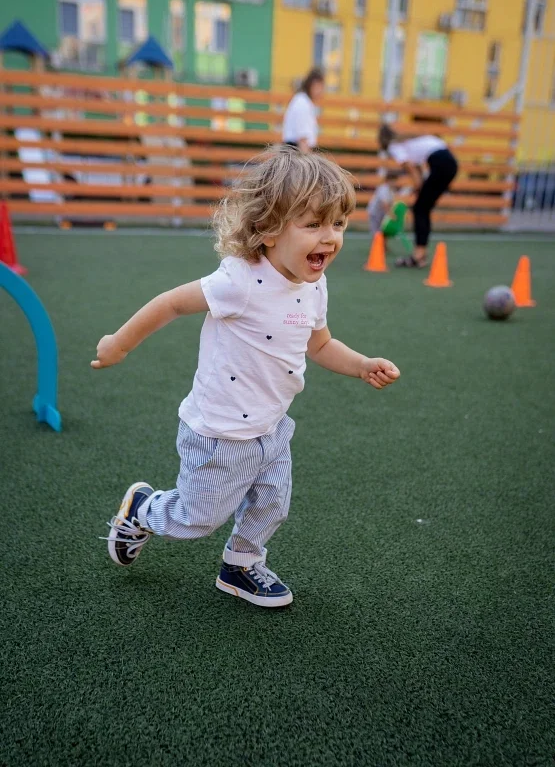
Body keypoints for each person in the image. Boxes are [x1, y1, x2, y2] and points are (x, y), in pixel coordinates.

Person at [91, 146, 400, 609]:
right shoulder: (238, 281)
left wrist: (360, 364)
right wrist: (119, 343)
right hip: (220, 432)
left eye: (337, 223)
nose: (330, 237)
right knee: (197, 518)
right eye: (313, 224)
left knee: (272, 504)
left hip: (271, 427)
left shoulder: (313, 285)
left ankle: (240, 566)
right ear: (269, 229)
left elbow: (319, 344)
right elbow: (172, 303)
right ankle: (143, 509)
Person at [378, 124, 458, 268]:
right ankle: (420, 253)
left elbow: (410, 167)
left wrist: (417, 186)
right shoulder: (410, 142)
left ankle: (419, 255)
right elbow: (419, 167)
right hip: (448, 163)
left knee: (420, 209)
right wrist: (419, 186)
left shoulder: (394, 146)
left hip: (442, 164)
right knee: (422, 208)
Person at [282, 69, 325, 153]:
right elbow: (303, 139)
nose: (321, 91)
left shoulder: (303, 101)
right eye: (318, 87)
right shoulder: (303, 104)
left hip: (293, 151)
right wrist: (307, 163)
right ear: (311, 86)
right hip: (296, 153)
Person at [367, 170, 396, 239]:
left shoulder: (391, 190)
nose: (394, 183)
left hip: (382, 213)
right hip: (375, 213)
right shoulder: (384, 189)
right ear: (388, 180)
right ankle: (377, 247)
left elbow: (390, 204)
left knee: (384, 230)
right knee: (376, 232)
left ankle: (384, 246)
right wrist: (390, 215)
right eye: (392, 180)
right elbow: (384, 204)